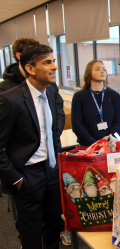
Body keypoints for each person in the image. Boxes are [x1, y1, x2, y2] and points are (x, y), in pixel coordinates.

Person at [0, 44, 62, 249]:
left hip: (52, 170)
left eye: (53, 61)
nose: (54, 66)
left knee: (54, 225)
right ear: (30, 68)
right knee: (31, 233)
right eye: (47, 62)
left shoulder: (52, 91)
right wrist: (16, 179)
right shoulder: (10, 99)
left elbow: (52, 130)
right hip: (27, 174)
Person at [0, 37, 65, 137]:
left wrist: (53, 136)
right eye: (46, 62)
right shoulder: (5, 91)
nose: (54, 67)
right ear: (19, 56)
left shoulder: (50, 87)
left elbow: (58, 113)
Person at [71, 60, 120, 146]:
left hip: (111, 144)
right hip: (88, 146)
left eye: (104, 69)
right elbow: (77, 125)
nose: (102, 71)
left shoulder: (115, 95)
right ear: (89, 73)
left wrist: (110, 137)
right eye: (97, 69)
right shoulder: (79, 96)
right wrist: (93, 143)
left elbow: (119, 122)